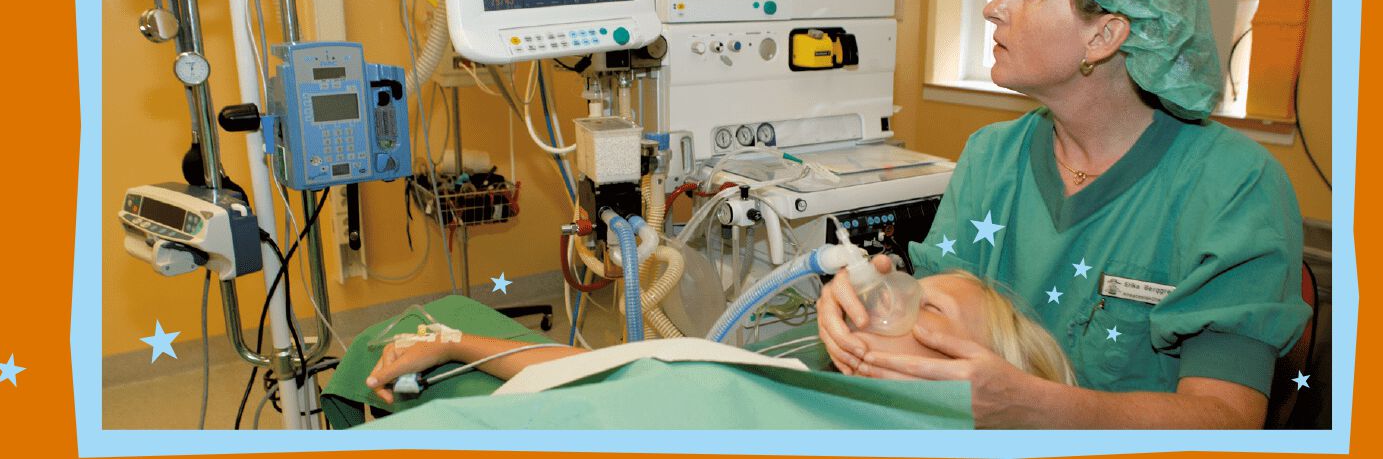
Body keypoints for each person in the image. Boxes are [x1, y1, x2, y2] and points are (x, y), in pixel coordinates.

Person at [817, 0, 1311, 429]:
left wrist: (1030, 406)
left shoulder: (1232, 186)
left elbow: (1227, 420)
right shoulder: (991, 156)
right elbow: (931, 335)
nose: (992, 7)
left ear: (1104, 36)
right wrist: (864, 305)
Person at [364, 270, 1075, 406]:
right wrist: (460, 342)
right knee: (380, 343)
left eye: (932, 309)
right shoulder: (790, 379)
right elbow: (620, 365)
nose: (894, 291)